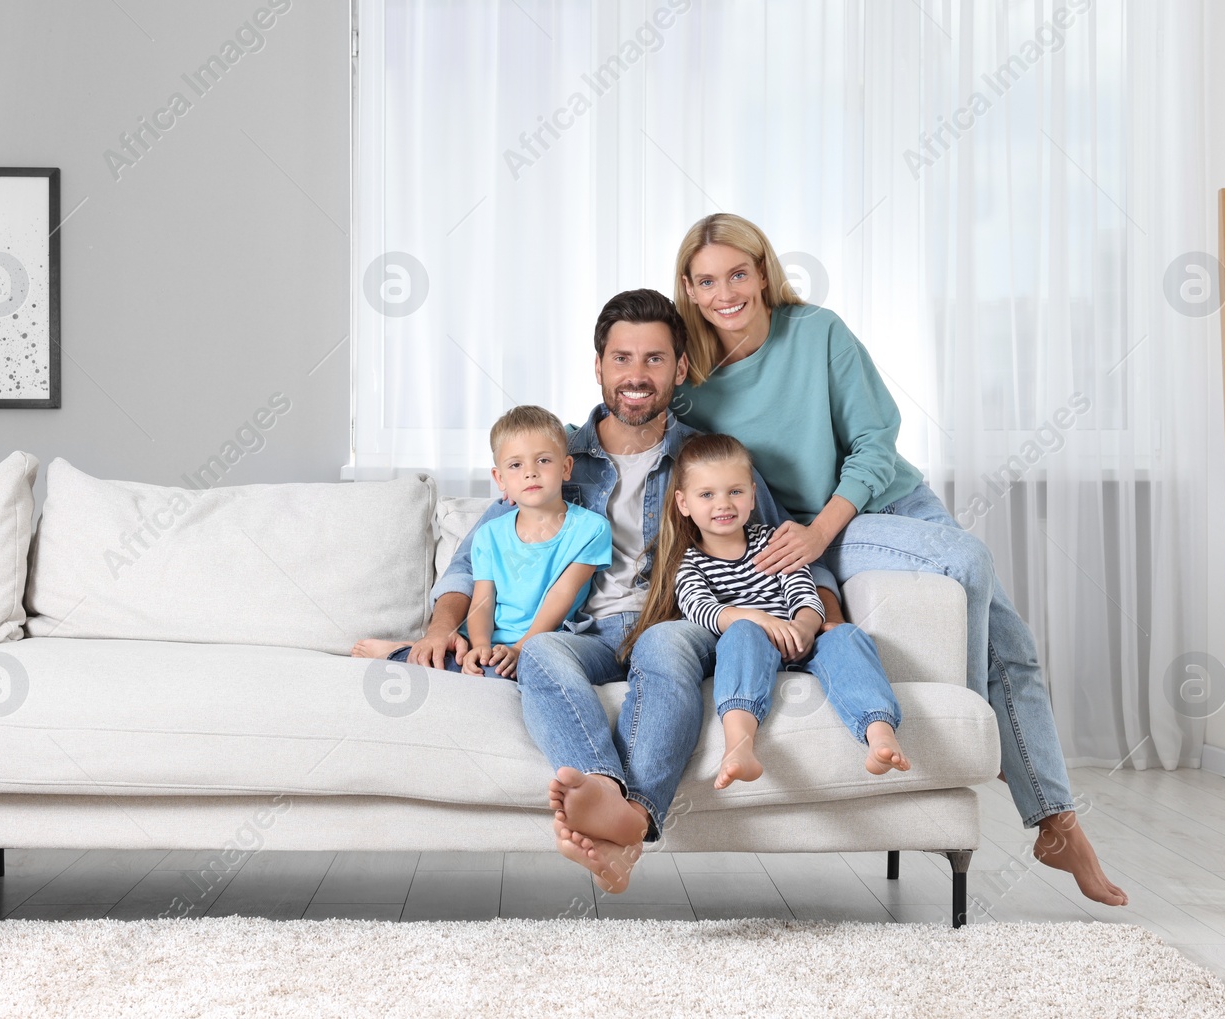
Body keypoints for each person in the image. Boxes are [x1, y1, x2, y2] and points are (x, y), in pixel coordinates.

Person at [668, 212, 1128, 907]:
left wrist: (823, 528)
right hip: (816, 531)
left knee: (1016, 648)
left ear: (763, 271)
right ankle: (995, 755)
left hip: (884, 504)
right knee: (969, 561)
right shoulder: (693, 385)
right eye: (708, 280)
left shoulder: (818, 332)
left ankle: (1055, 819)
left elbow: (877, 440)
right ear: (690, 290)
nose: (726, 291)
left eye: (739, 272)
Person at [397, 288, 843, 892]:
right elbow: (471, 564)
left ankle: (632, 819)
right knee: (543, 652)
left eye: (655, 359)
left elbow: (787, 550)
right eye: (623, 358)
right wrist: (441, 627)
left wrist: (826, 621)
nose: (637, 375)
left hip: (679, 620)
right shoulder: (556, 457)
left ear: (680, 368)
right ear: (599, 365)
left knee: (662, 646)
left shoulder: (707, 458)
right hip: (586, 633)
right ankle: (607, 794)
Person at [618, 431, 909, 792]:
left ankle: (879, 733)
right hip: (749, 649)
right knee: (743, 633)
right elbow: (702, 609)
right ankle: (739, 745)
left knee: (845, 634)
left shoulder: (772, 541)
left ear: (753, 495)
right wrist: (761, 620)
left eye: (735, 491)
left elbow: (803, 590)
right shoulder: (689, 562)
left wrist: (805, 625)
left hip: (800, 643)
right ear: (683, 503)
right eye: (707, 494)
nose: (723, 504)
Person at [352, 405, 611, 679]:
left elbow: (562, 596)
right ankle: (424, 652)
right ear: (500, 479)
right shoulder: (489, 535)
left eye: (544, 461)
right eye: (515, 465)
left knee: (514, 671)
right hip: (489, 639)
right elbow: (483, 601)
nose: (530, 472)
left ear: (566, 468)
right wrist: (480, 647)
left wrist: (521, 648)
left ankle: (402, 654)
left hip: (544, 642)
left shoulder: (591, 529)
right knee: (477, 665)